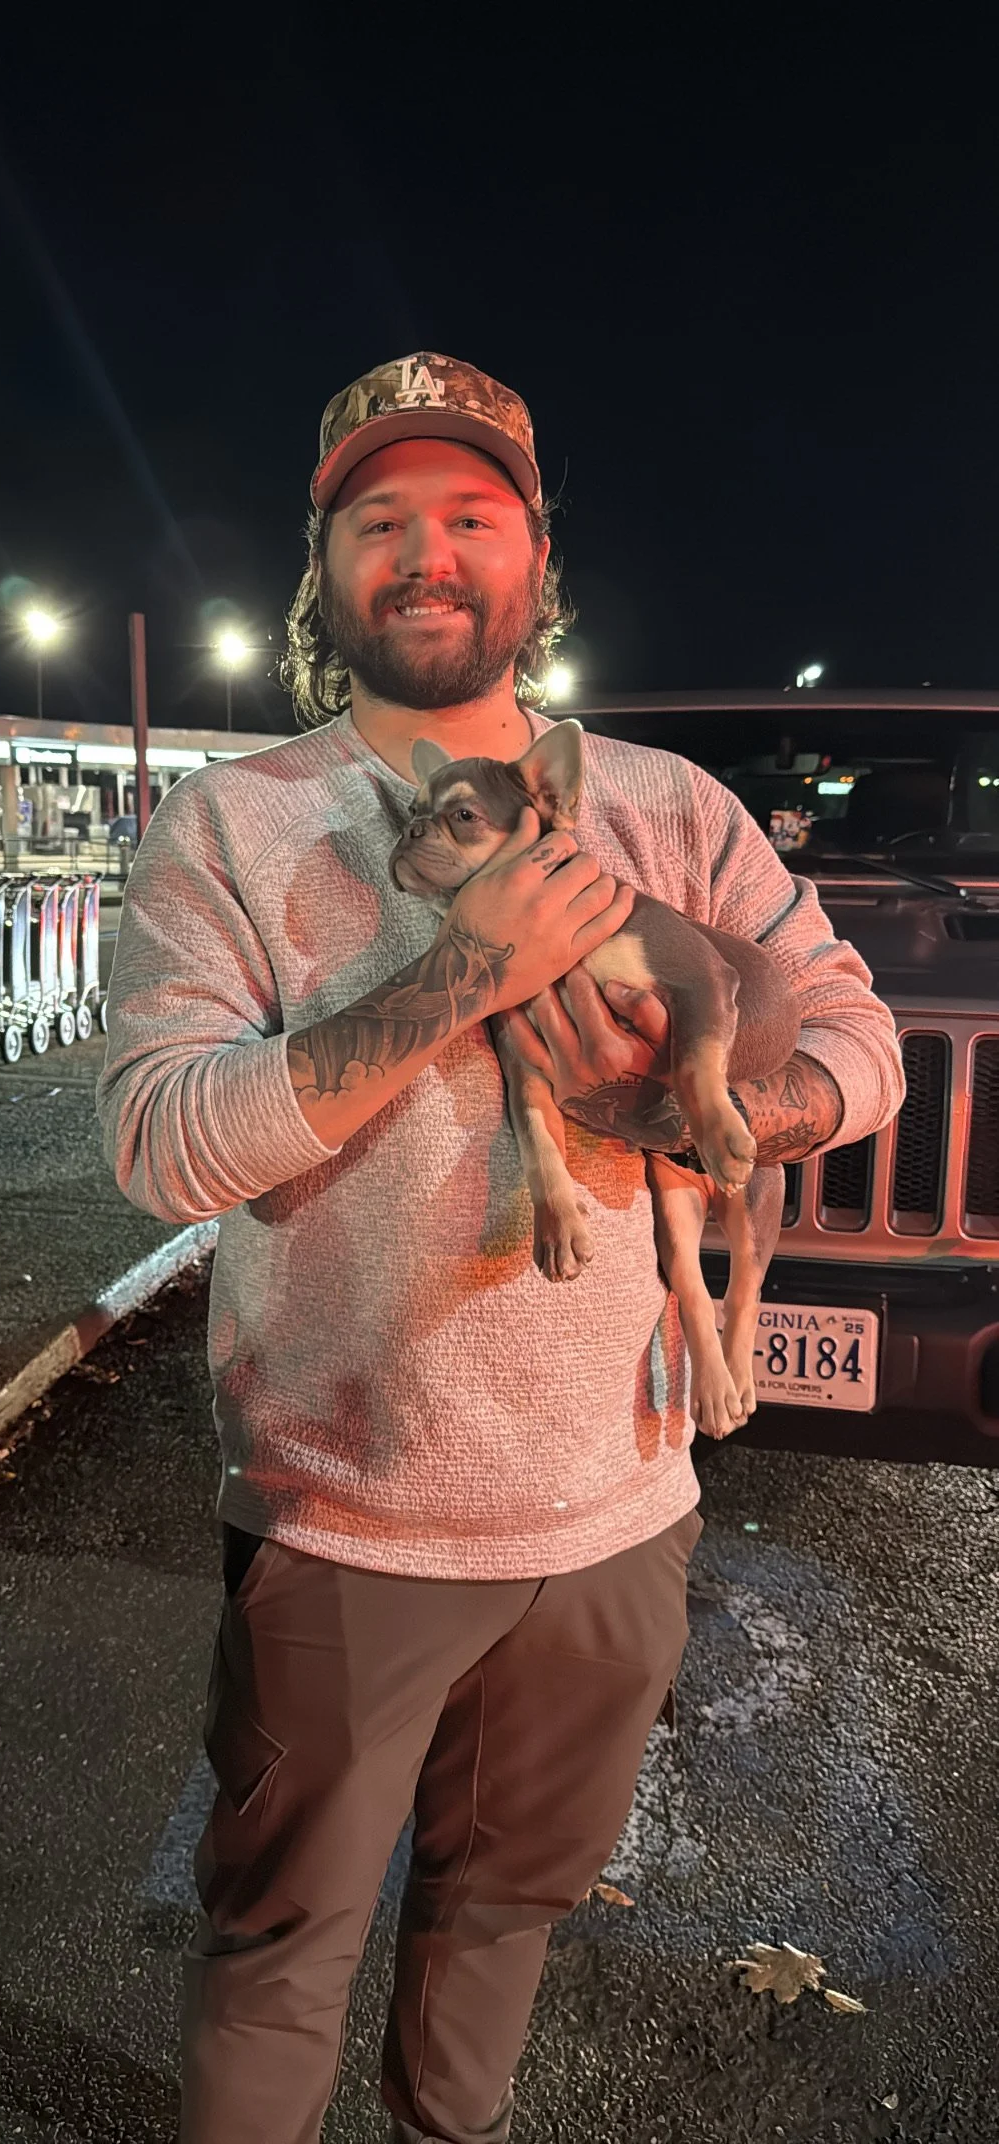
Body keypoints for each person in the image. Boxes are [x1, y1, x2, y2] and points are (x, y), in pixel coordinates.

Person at [96, 352, 905, 2144]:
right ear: (324, 570)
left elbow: (860, 1040)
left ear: (537, 558)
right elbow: (157, 1144)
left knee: (503, 1921)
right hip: (346, 1519)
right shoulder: (228, 829)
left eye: (470, 517)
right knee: (280, 1945)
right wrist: (457, 973)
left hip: (620, 1509)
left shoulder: (669, 806)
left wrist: (717, 1118)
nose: (426, 554)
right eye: (377, 521)